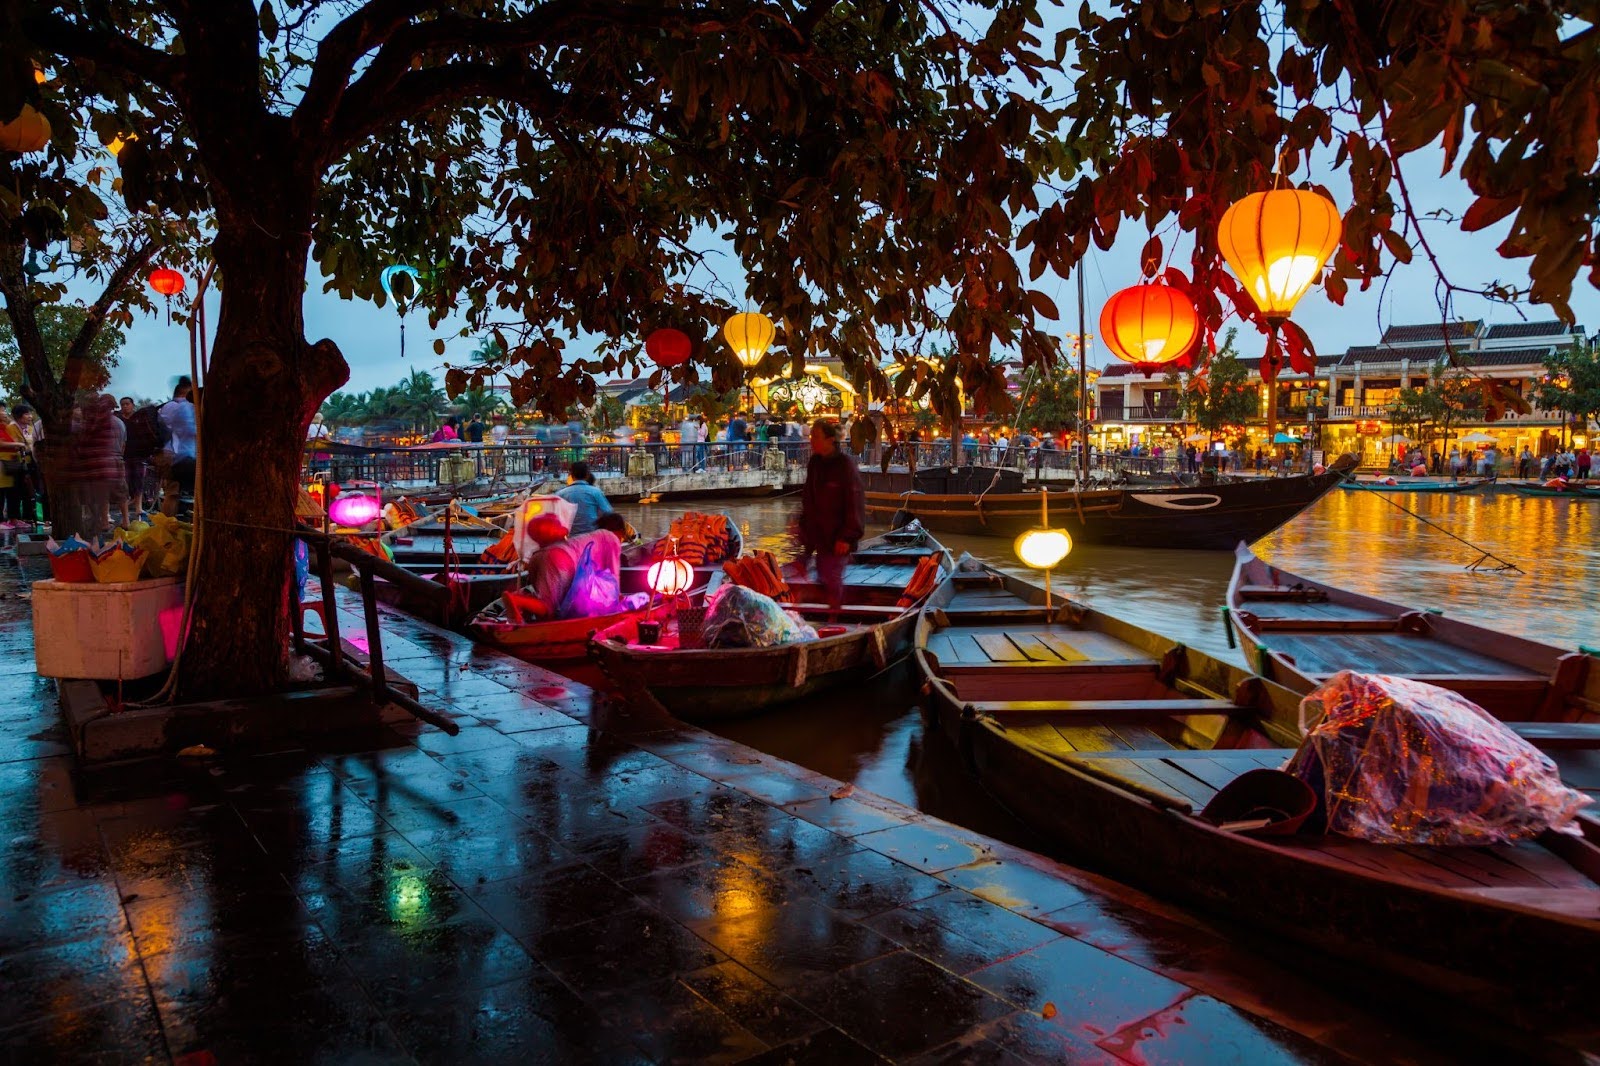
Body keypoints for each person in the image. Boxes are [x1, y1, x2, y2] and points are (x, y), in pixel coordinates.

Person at [795, 419, 865, 615]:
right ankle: (825, 615)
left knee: (831, 577)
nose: (812, 441)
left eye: (815, 437)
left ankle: (836, 619)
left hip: (838, 536)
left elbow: (854, 502)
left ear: (829, 439)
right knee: (821, 575)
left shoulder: (845, 466)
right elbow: (808, 498)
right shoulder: (815, 463)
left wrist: (847, 536)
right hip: (819, 534)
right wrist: (803, 529)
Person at [157, 377, 197, 516]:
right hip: (185, 456)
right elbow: (191, 431)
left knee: (172, 493)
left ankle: (167, 527)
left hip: (170, 455)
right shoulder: (187, 407)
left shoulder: (167, 407)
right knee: (192, 493)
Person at [556, 460, 614, 536]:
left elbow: (556, 516)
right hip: (592, 535)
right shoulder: (595, 492)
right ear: (587, 475)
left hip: (571, 537)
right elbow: (608, 513)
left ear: (571, 475)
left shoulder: (561, 494)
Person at [0, 408, 29, 528]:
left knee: (13, 491)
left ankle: (13, 519)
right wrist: (18, 444)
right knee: (1, 491)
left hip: (11, 463)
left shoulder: (5, 428)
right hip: (2, 462)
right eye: (1, 411)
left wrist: (16, 446)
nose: (4, 413)